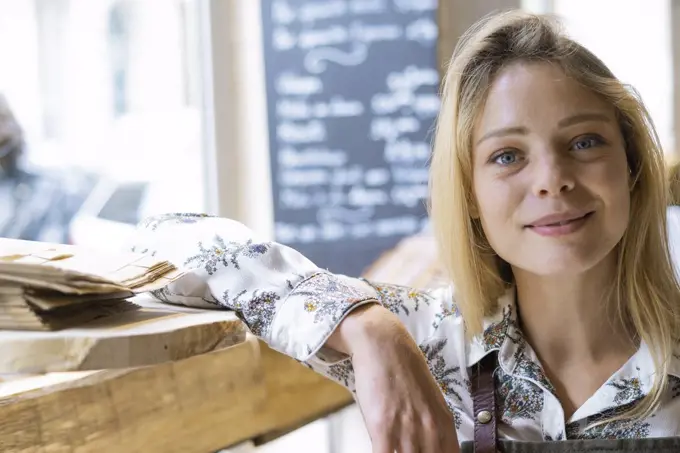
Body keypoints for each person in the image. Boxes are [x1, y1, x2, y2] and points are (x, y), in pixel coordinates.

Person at [129, 10, 680, 452]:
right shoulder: (428, 339)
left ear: (631, 167)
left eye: (584, 142)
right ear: (468, 196)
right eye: (508, 155)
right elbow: (158, 242)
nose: (553, 180)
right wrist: (370, 331)